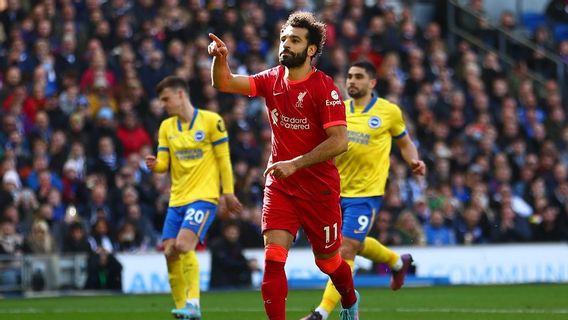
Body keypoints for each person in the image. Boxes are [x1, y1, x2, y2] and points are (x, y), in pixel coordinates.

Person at [209, 11, 360, 320]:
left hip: (319, 189)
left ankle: (349, 300)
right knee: (274, 259)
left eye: (295, 40)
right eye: (283, 39)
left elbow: (340, 141)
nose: (286, 45)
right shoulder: (271, 78)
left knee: (329, 263)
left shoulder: (324, 88)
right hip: (281, 185)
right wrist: (220, 58)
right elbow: (223, 83)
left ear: (312, 49)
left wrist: (297, 163)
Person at [302, 61, 426, 320]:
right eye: (349, 77)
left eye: (358, 77)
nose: (351, 81)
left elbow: (405, 143)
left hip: (367, 194)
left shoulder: (388, 111)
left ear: (372, 83)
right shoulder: (338, 110)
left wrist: (413, 160)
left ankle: (322, 313)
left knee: (346, 248)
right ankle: (396, 261)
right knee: (351, 244)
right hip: (334, 191)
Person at [145, 76, 242, 319]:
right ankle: (181, 308)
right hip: (177, 200)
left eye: (166, 99)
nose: (163, 104)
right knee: (170, 252)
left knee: (183, 245)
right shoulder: (167, 127)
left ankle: (194, 304)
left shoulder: (212, 121)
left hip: (204, 197)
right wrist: (156, 165)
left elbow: (223, 160)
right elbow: (164, 163)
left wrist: (227, 192)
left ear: (181, 95)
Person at [208, 219, 259, 289]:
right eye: (231, 233)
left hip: (234, 282)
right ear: (225, 232)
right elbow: (226, 263)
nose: (233, 235)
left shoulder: (237, 244)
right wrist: (246, 264)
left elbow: (240, 258)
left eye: (235, 233)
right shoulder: (217, 245)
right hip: (220, 284)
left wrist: (250, 262)